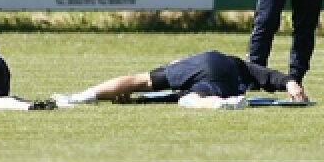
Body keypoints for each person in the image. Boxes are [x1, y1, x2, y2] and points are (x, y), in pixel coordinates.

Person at [53, 49, 308, 110]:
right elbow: (273, 77)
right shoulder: (244, 69)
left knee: (140, 80)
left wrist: (136, 100)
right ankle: (215, 103)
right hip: (221, 70)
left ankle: (77, 97)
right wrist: (290, 83)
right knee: (187, 96)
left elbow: (164, 95)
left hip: (213, 66)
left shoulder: (181, 69)